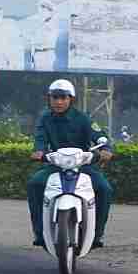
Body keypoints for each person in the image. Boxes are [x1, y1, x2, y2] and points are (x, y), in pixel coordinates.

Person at [26, 79, 114, 248]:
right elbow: (40, 139)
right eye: (55, 97)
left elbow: (99, 136)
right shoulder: (45, 119)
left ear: (71, 99)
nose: (58, 102)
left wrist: (105, 149)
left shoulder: (83, 118)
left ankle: (96, 234)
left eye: (63, 97)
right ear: (49, 99)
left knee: (104, 189)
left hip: (83, 165)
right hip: (55, 165)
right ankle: (40, 233)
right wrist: (39, 151)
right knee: (35, 184)